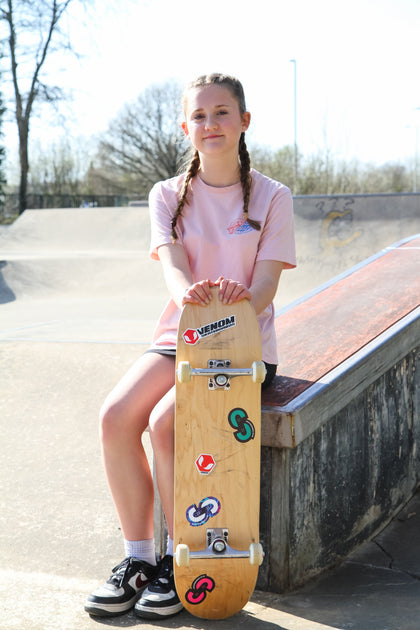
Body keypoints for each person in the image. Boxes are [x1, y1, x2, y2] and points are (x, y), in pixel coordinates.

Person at [84, 72, 296, 620]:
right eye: (199, 116)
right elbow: (174, 273)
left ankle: (184, 568)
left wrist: (236, 301)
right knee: (114, 417)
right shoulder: (167, 196)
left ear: (244, 122)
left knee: (164, 422)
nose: (211, 124)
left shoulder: (273, 197)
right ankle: (140, 562)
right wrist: (195, 298)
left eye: (222, 113)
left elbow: (269, 283)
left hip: (244, 349)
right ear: (186, 128)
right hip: (182, 339)